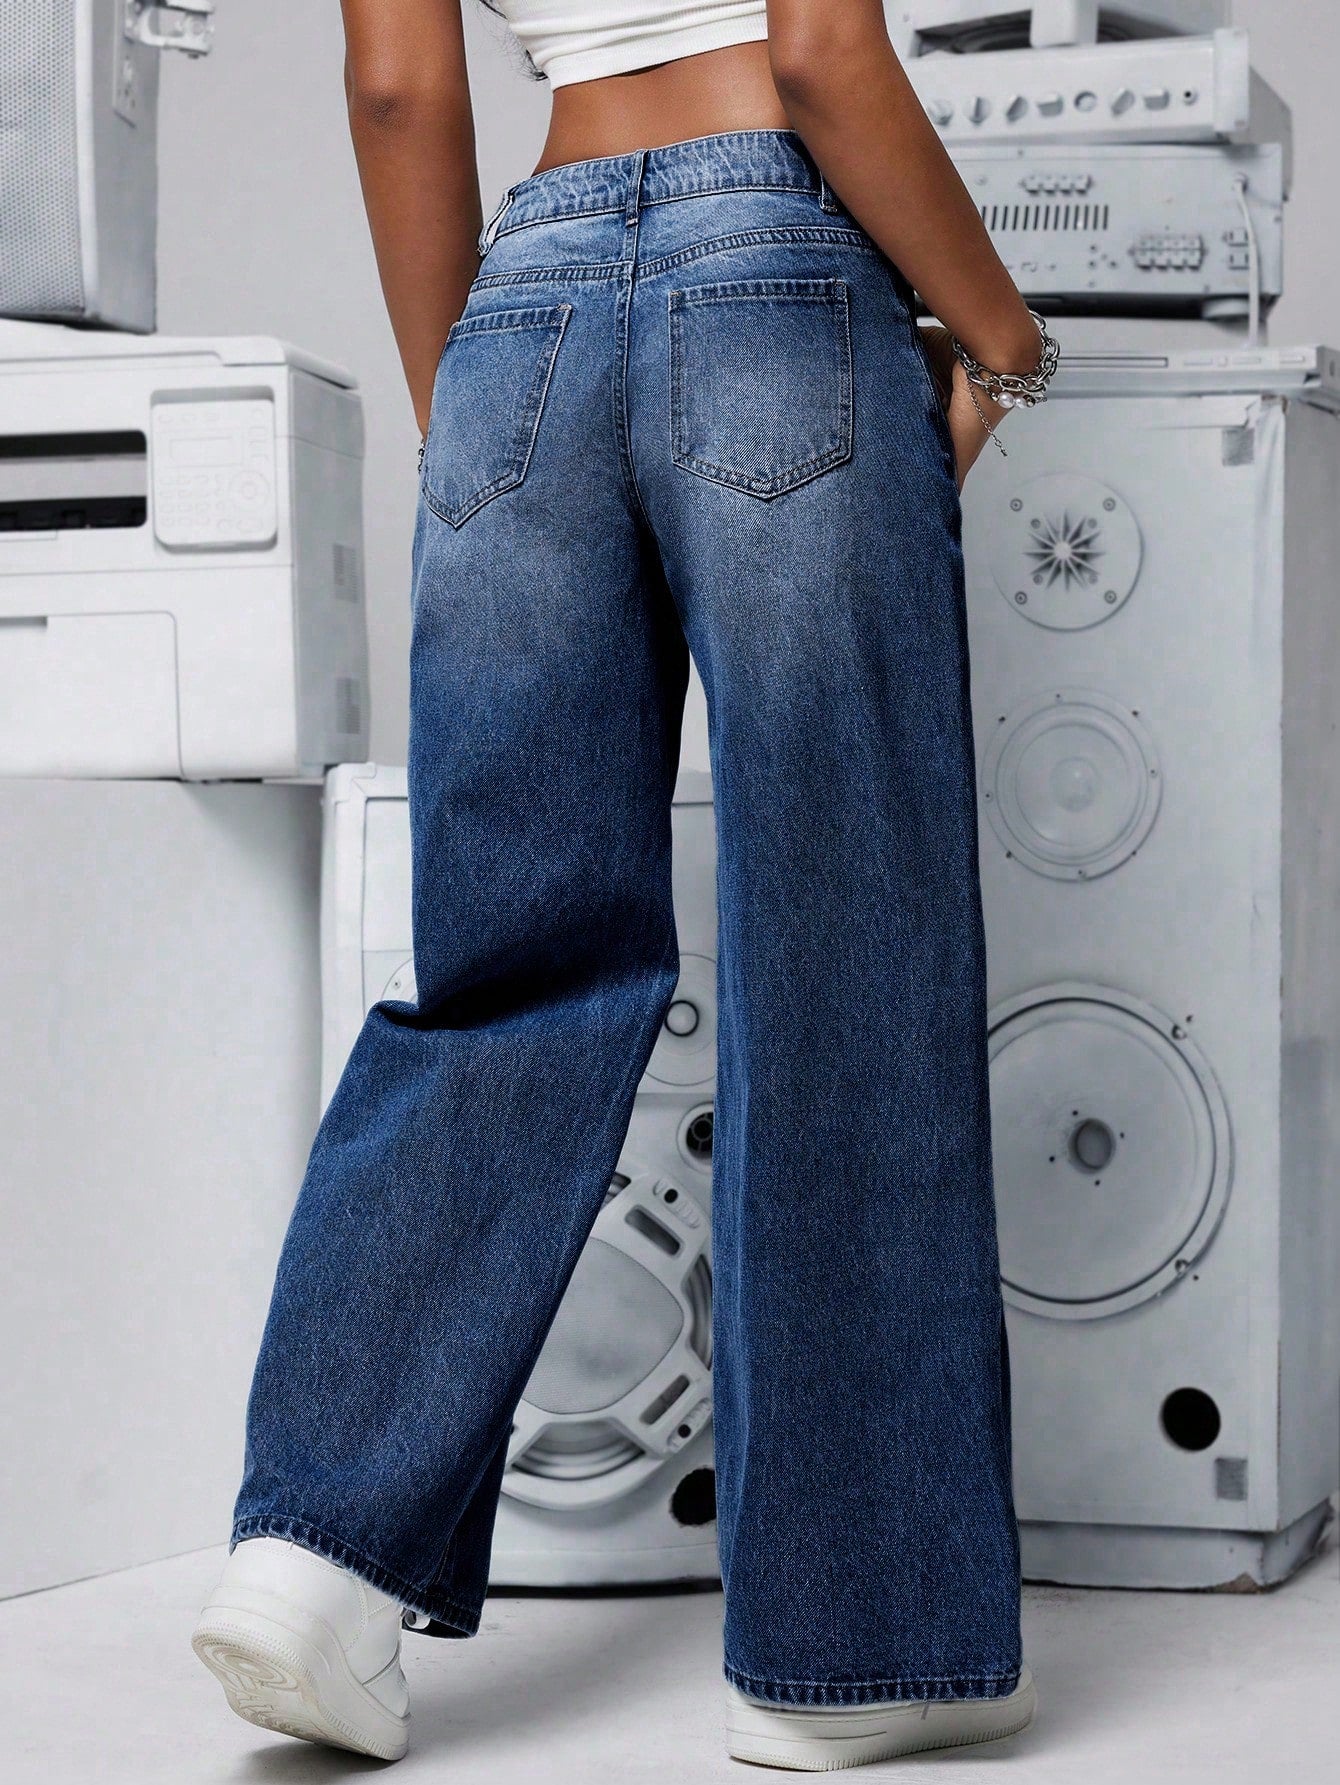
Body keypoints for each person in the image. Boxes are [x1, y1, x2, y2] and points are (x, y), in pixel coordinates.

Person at [192, 0, 1057, 1769]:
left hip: (523, 309)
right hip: (782, 287)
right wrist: (1005, 340)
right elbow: (818, 53)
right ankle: (849, 1647)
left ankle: (316, 1554)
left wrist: (480, 417)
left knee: (507, 969)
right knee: (846, 963)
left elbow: (397, 88)